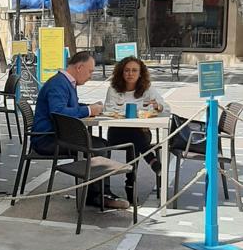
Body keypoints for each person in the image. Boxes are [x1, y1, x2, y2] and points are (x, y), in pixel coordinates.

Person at [31, 51, 129, 209]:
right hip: (47, 140)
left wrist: (89, 107)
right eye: (90, 71)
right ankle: (97, 196)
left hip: (55, 136)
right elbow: (58, 112)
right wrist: (89, 110)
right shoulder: (58, 84)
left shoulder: (65, 82)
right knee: (99, 147)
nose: (91, 76)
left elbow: (70, 108)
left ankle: (98, 193)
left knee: (101, 143)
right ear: (79, 67)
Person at [104, 56, 168, 203]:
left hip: (141, 133)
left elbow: (166, 109)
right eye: (127, 70)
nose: (130, 74)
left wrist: (158, 106)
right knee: (134, 134)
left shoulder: (148, 89)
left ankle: (131, 183)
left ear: (141, 73)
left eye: (134, 70)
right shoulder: (113, 89)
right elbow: (108, 110)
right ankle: (149, 164)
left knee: (135, 137)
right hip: (117, 133)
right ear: (121, 72)